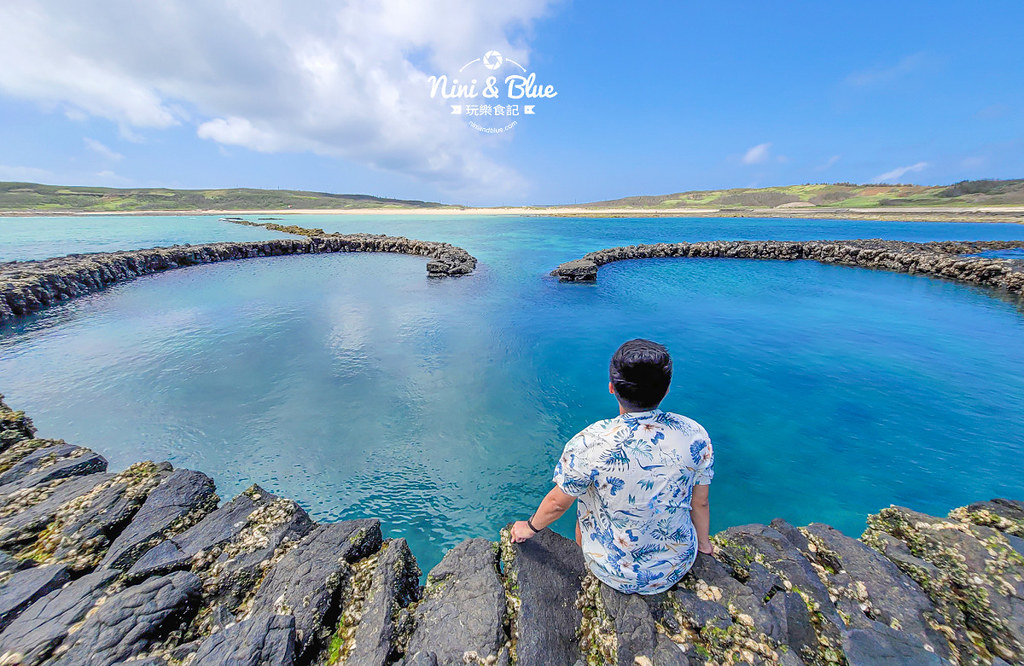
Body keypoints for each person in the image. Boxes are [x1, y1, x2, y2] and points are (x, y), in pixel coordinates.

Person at [511, 338, 714, 595]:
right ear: (667, 388)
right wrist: (704, 545)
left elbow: (556, 503)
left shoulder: (590, 442)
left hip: (612, 571)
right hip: (675, 566)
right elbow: (701, 502)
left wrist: (527, 528)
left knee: (584, 489)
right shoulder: (694, 434)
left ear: (611, 388)